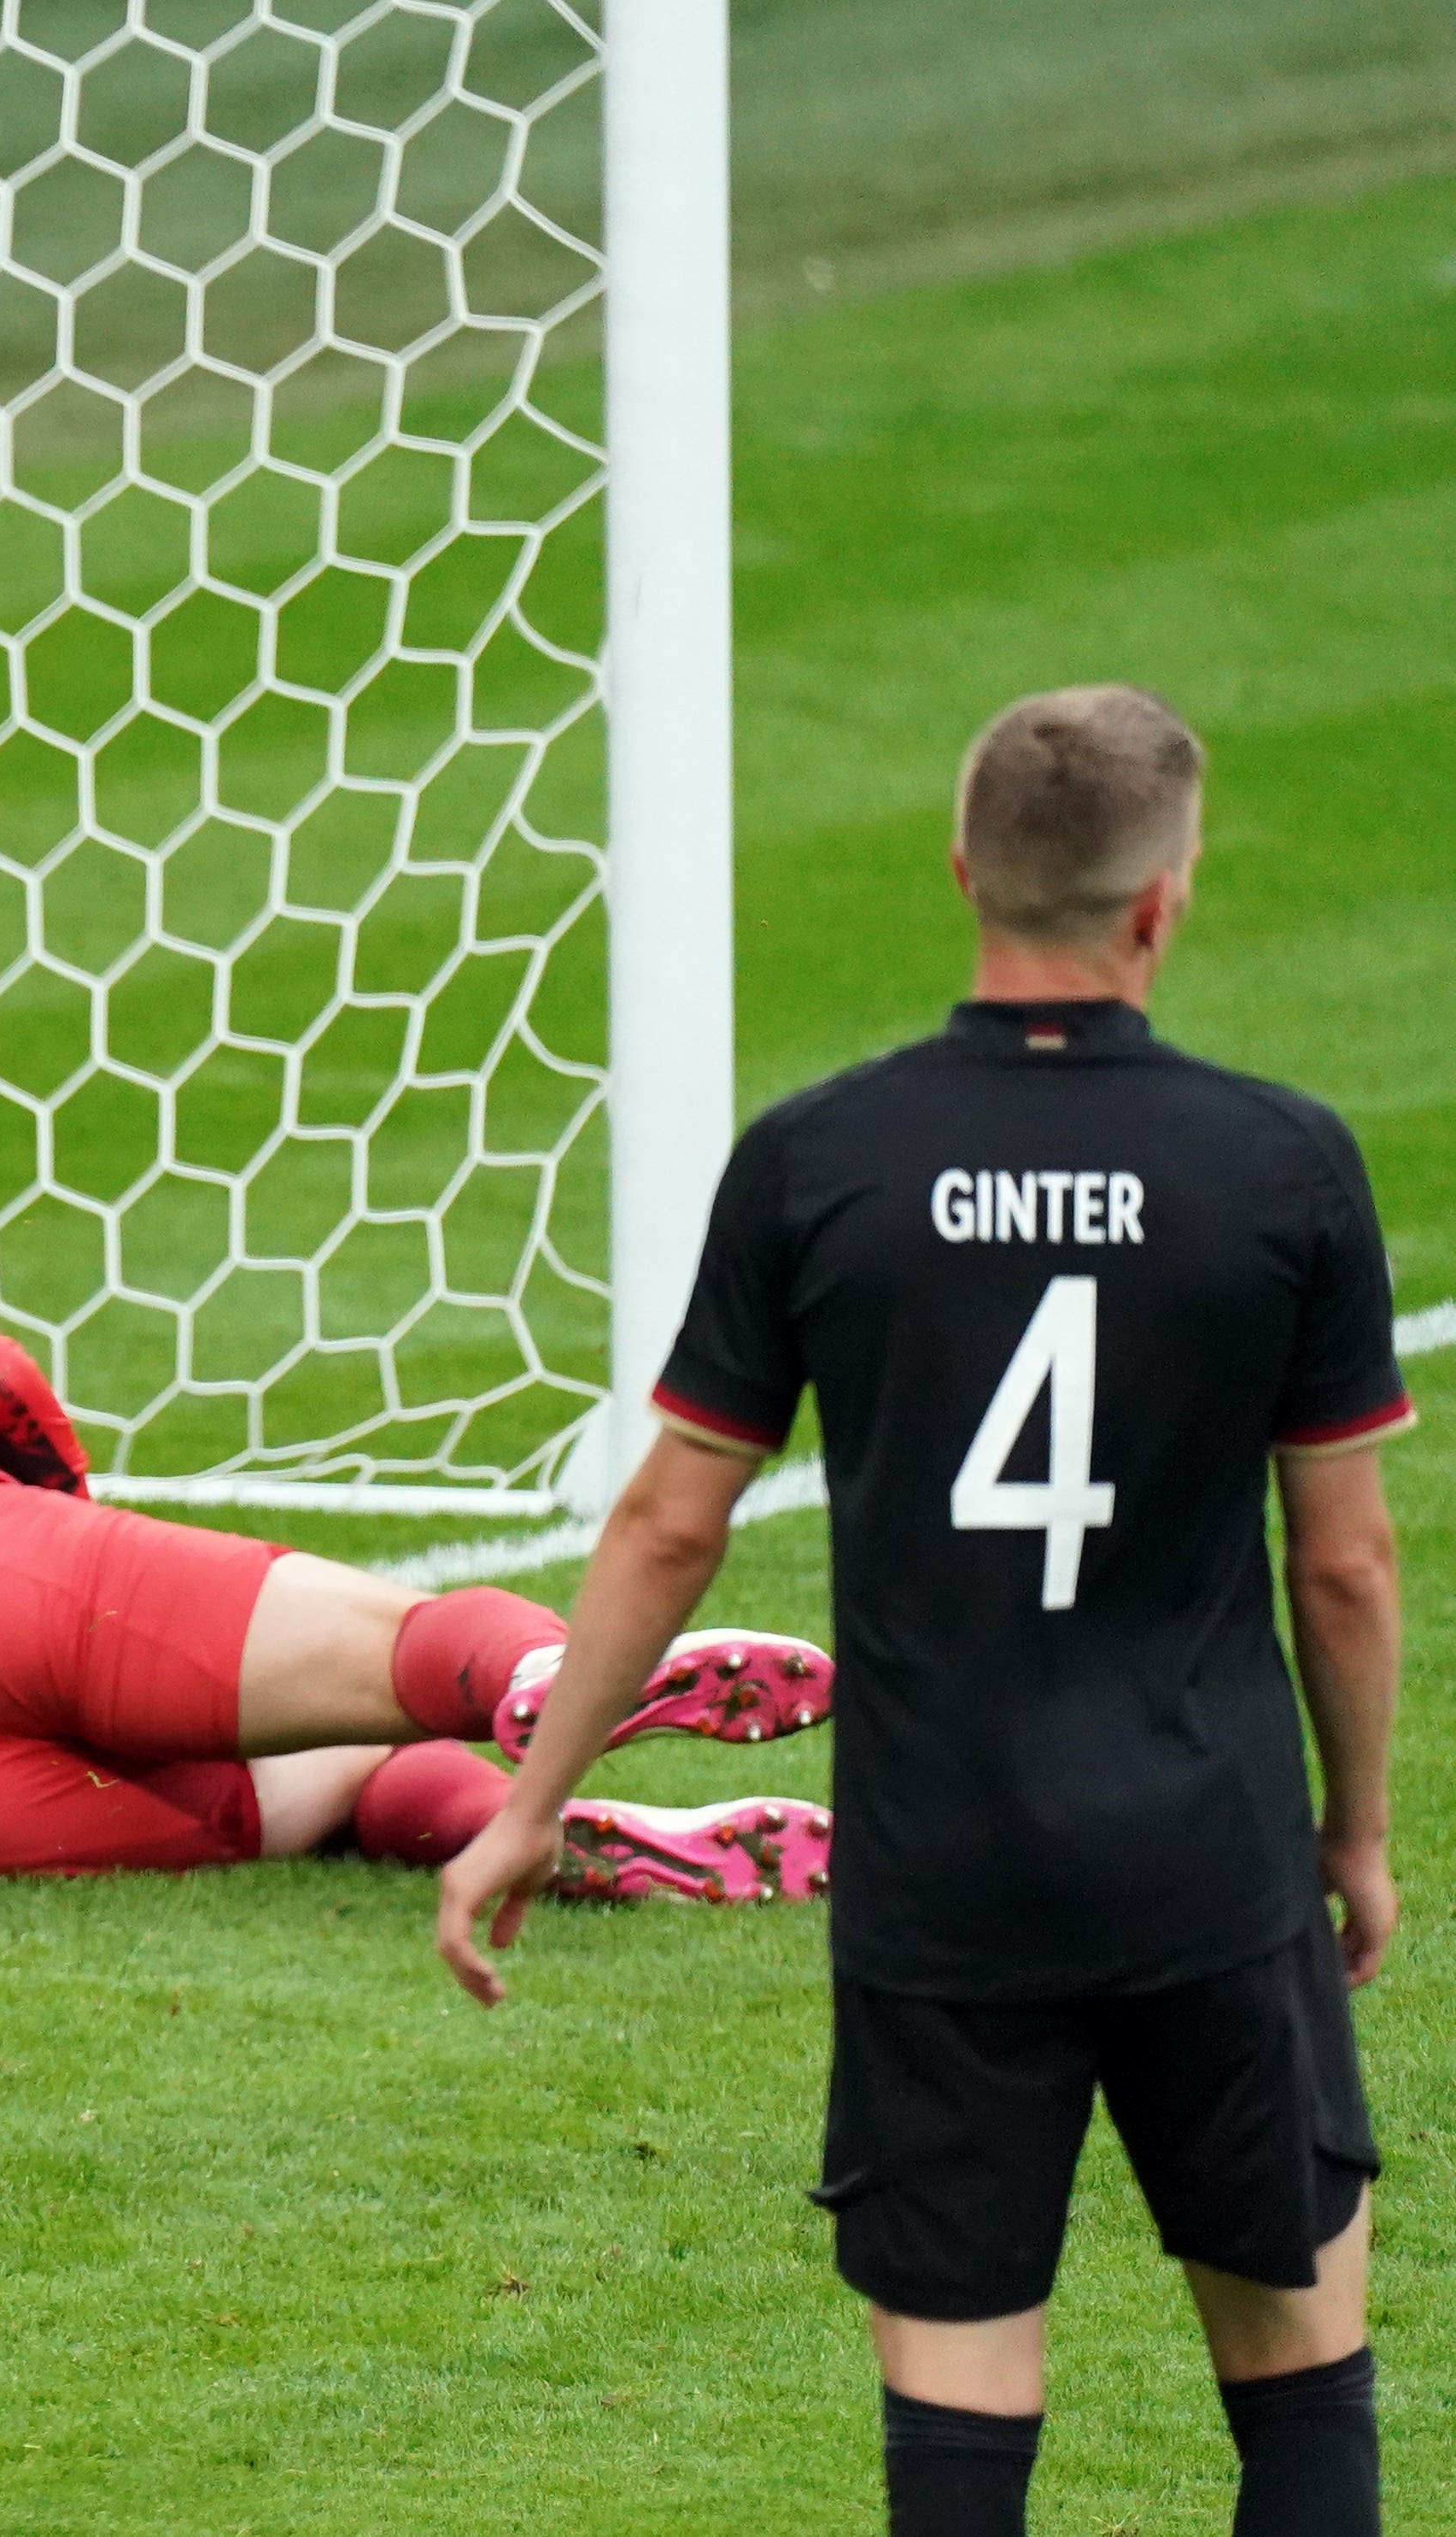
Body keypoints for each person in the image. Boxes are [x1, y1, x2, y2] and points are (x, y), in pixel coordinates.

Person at [439, 686, 1409, 2536]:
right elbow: (1342, 1564)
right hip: (1204, 1860)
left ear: (961, 868)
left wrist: (529, 1800)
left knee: (959, 2414)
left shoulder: (821, 1160)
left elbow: (665, 1522)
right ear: (1162, 901)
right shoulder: (1278, 1166)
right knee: (1296, 2378)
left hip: (938, 1875)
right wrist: (1350, 1833)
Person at [0, 1086, 839, 1895]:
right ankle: (540, 1677)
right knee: (375, 1654)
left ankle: (548, 1838)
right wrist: (48, 1529)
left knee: (279, 1793)